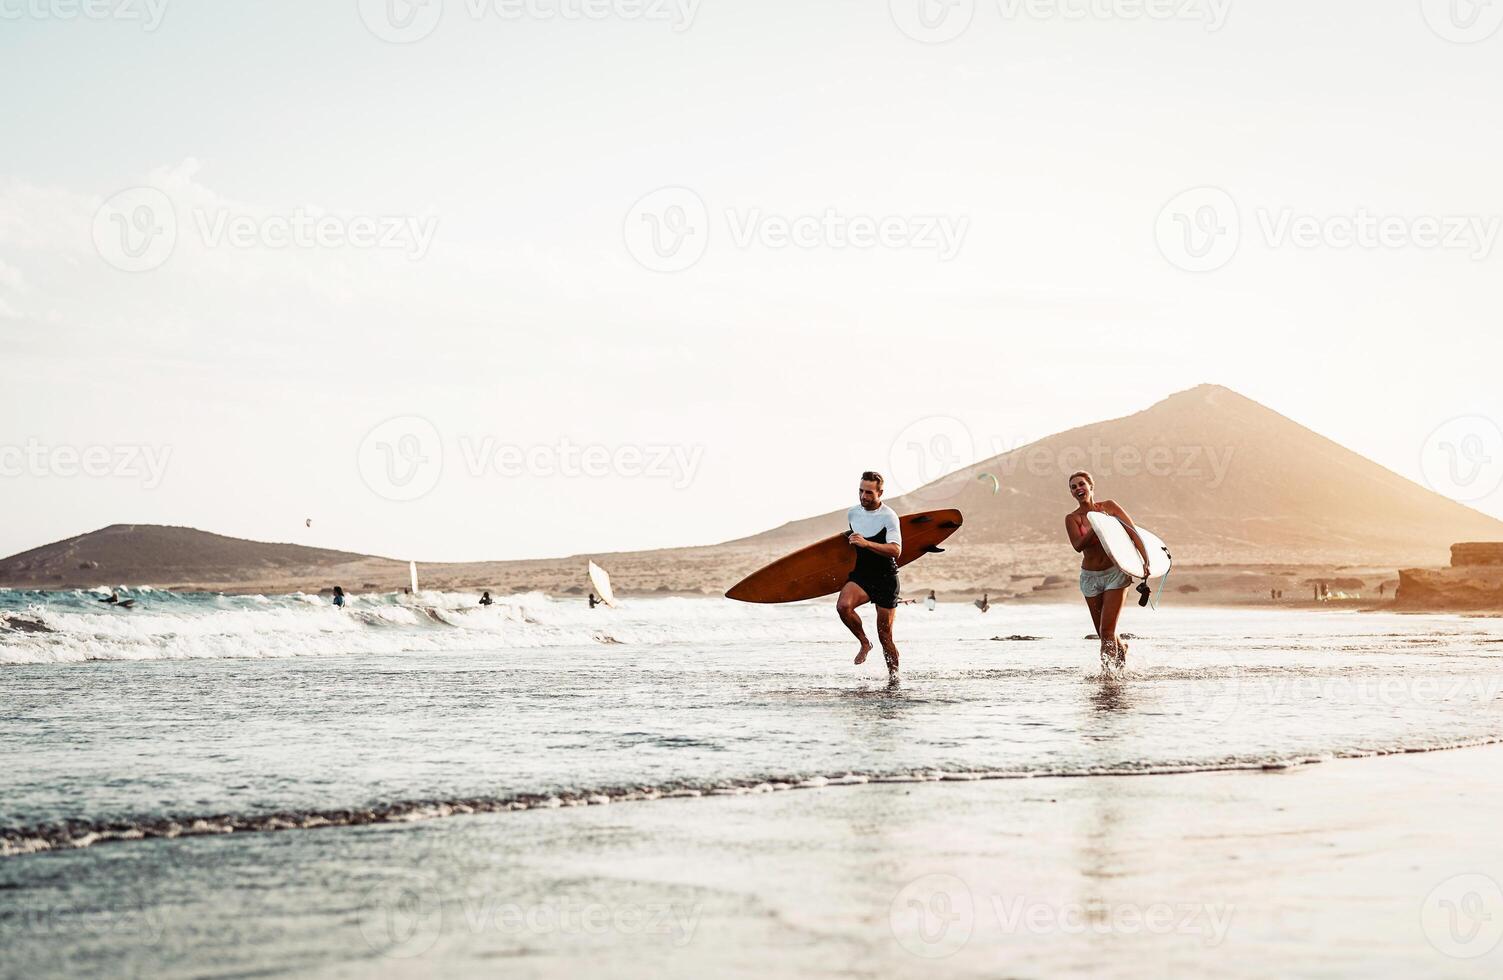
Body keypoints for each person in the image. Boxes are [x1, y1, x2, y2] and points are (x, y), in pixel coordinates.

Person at [1064, 470, 1149, 671]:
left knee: (1107, 632)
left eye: (1081, 484)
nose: (1078, 489)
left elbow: (1132, 531)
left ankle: (1107, 678)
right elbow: (1078, 546)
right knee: (1105, 634)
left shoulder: (1109, 507)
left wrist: (1146, 561)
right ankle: (1121, 653)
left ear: (1091, 487)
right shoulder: (1072, 518)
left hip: (1114, 574)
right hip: (1090, 578)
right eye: (1073, 487)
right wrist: (1097, 525)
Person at [835, 471, 903, 685]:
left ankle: (894, 678)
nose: (863, 496)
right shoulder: (852, 514)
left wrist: (866, 543)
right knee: (843, 607)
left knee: (885, 636)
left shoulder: (889, 516)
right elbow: (855, 535)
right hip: (862, 575)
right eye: (861, 491)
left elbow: (895, 550)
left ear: (880, 492)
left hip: (885, 578)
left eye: (869, 492)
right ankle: (864, 642)